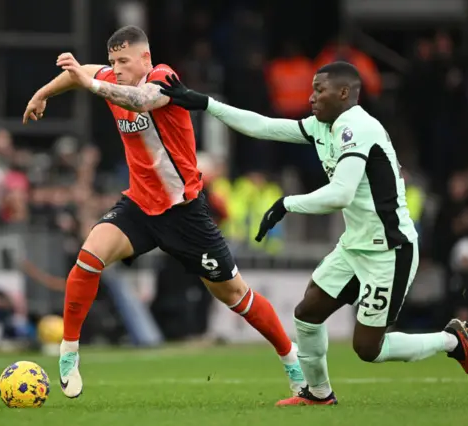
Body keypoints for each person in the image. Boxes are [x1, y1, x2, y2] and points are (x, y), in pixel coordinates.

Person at [157, 61, 468, 406]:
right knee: (308, 312)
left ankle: (450, 340)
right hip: (355, 246)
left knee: (368, 349)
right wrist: (203, 102)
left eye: (319, 90)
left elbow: (341, 193)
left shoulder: (356, 127)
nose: (311, 97)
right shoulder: (323, 126)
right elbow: (264, 126)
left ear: (344, 93)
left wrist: (286, 204)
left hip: (390, 249)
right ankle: (319, 393)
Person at [23, 25, 305, 399]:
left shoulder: (163, 79)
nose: (116, 68)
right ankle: (69, 349)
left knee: (235, 295)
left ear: (144, 57)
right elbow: (79, 75)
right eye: (112, 61)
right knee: (89, 256)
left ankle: (292, 360)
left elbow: (139, 100)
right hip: (139, 206)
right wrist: (42, 94)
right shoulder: (109, 77)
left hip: (184, 214)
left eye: (123, 60)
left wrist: (89, 83)